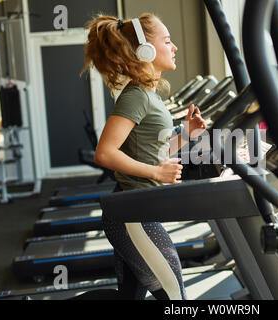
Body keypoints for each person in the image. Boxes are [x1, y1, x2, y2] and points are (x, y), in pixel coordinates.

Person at [81, 13, 207, 300]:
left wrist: (187, 133)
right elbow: (105, 153)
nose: (174, 46)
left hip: (133, 210)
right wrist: (155, 174)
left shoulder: (149, 95)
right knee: (175, 298)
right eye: (167, 40)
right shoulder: (136, 95)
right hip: (132, 214)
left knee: (131, 296)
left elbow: (153, 152)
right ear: (144, 51)